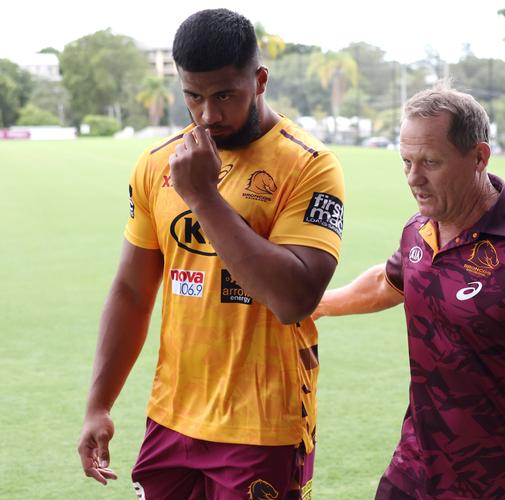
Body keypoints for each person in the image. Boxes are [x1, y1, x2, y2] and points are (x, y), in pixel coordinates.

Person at [77, 9, 344, 499]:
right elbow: (132, 291)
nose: (208, 115)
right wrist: (99, 404)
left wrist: (203, 198)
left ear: (259, 80)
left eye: (225, 95)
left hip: (264, 427)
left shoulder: (309, 165)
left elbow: (294, 299)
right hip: (171, 419)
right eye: (193, 97)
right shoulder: (159, 163)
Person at [314, 83, 505, 499]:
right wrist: (316, 306)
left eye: (430, 162)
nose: (414, 178)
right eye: (406, 162)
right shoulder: (419, 231)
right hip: (415, 469)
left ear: (479, 157)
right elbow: (389, 282)